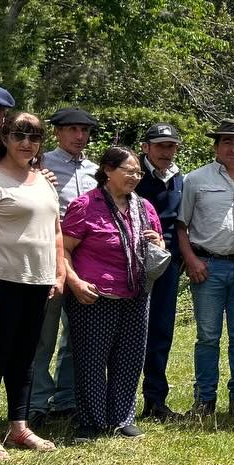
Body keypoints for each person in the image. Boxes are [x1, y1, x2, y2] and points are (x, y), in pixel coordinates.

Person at [0, 112, 63, 458]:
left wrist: (57, 274)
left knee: (25, 358)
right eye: (19, 135)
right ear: (4, 138)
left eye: (34, 137)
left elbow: (56, 230)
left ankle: (18, 427)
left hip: (39, 281)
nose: (26, 143)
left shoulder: (44, 180)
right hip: (2, 281)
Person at [60, 146, 165, 443]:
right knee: (91, 360)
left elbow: (160, 249)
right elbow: (64, 249)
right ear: (108, 170)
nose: (135, 177)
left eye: (138, 172)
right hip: (94, 295)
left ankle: (121, 418)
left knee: (130, 358)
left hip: (135, 293)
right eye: (128, 171)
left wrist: (158, 241)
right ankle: (91, 422)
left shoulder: (145, 207)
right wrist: (75, 282)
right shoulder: (85, 205)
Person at [179, 120, 234, 417]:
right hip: (208, 266)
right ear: (216, 146)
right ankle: (204, 400)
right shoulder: (196, 179)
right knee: (208, 336)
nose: (232, 148)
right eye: (226, 141)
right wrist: (191, 260)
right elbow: (181, 225)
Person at [28, 106, 100, 424]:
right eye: (71, 129)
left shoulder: (96, 171)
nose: (79, 136)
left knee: (78, 334)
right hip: (48, 257)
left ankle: (67, 399)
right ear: (57, 133)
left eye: (84, 131)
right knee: (43, 332)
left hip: (87, 260)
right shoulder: (40, 166)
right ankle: (36, 402)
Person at [136, 123, 184, 422]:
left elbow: (181, 223)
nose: (166, 152)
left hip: (167, 266)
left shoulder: (180, 179)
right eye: (160, 146)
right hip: (131, 264)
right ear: (146, 148)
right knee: (128, 334)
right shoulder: (132, 174)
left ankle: (155, 400)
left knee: (161, 332)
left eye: (171, 146)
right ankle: (118, 400)